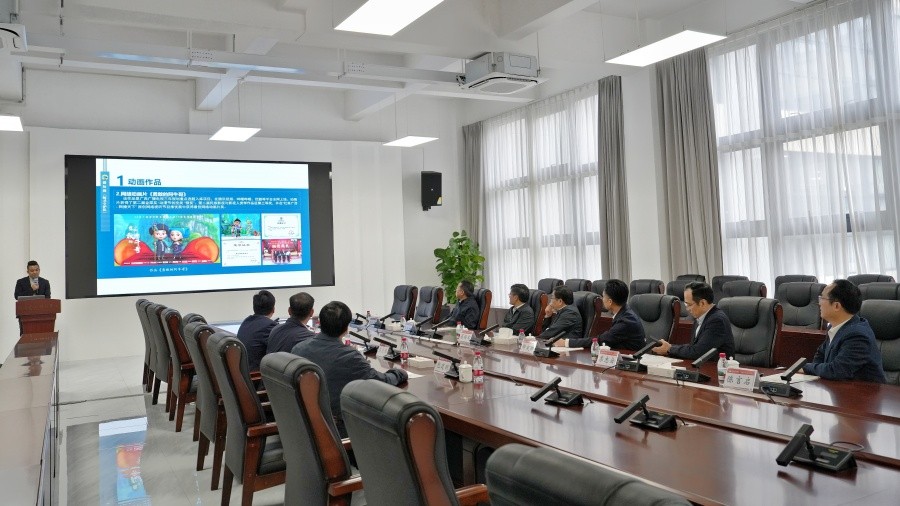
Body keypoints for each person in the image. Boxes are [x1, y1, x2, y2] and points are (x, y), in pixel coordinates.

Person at [292, 300, 408, 437]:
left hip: (304, 426)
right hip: (337, 430)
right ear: (346, 328)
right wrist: (400, 373)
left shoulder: (298, 348)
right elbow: (380, 383)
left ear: (320, 323)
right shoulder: (348, 356)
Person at [802, 279, 886, 382]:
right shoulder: (834, 326)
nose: (819, 303)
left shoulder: (858, 335)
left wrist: (806, 368)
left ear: (836, 306)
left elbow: (837, 370)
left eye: (822, 298)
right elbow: (820, 355)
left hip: (864, 391)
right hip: (838, 388)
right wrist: (814, 369)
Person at [653, 281, 734, 360]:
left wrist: (669, 349)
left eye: (689, 304)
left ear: (702, 303)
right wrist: (670, 347)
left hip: (715, 367)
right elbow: (693, 347)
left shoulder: (717, 321)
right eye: (685, 304)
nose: (687, 309)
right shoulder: (700, 317)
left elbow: (698, 352)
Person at [561, 279, 645, 349]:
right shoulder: (624, 312)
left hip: (632, 360)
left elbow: (601, 340)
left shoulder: (626, 321)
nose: (602, 299)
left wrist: (567, 342)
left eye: (603, 296)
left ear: (610, 301)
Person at [236, 290, 278, 372]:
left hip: (244, 371)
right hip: (256, 375)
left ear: (254, 308)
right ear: (273, 309)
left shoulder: (247, 321)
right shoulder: (269, 325)